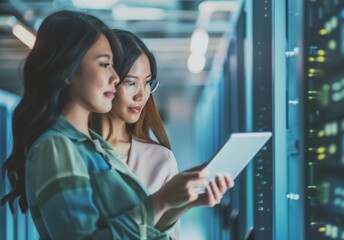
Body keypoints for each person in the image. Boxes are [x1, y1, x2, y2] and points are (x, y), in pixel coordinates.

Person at [0, 10, 209, 239]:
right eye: (104, 65)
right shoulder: (56, 146)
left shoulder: (95, 147)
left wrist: (181, 203)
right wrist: (161, 201)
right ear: (67, 71)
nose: (115, 77)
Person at [90, 29, 234, 239]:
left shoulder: (161, 159)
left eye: (147, 83)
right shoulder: (73, 150)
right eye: (131, 83)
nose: (142, 95)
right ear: (108, 81)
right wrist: (161, 201)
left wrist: (187, 204)